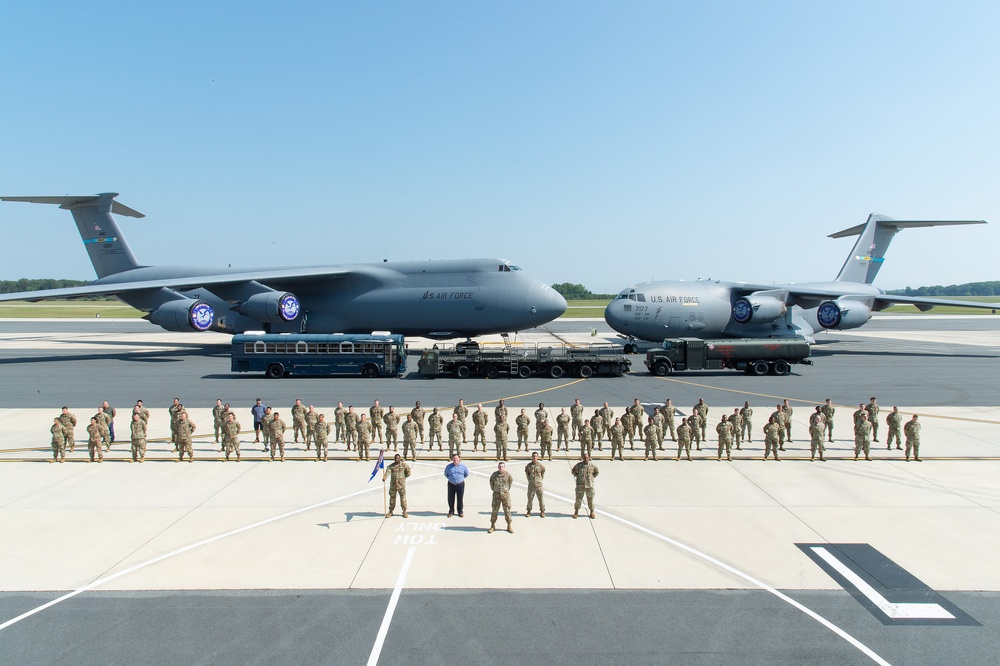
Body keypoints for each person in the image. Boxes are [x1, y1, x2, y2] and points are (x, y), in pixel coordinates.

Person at [488, 461, 515, 533]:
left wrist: (505, 490)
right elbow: (491, 483)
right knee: (494, 511)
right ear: (498, 467)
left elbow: (510, 483)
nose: (501, 468)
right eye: (499, 466)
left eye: (502, 466)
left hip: (505, 496)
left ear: (504, 467)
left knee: (507, 511)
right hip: (496, 495)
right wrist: (495, 490)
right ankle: (492, 525)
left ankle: (509, 526)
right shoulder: (494, 475)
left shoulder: (508, 475)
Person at [571, 453, 599, 519]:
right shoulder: (579, 465)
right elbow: (573, 471)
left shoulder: (592, 465)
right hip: (580, 485)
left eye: (587, 458)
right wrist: (577, 476)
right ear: (582, 458)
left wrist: (592, 478)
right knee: (578, 499)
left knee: (590, 499)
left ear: (589, 458)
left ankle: (592, 512)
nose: (586, 459)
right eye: (585, 458)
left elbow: (597, 472)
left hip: (589, 486)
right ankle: (576, 512)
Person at [384, 454, 411, 518]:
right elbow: (387, 472)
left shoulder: (404, 465)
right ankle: (390, 511)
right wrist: (384, 477)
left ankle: (404, 511)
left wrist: (403, 478)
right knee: (392, 499)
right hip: (393, 485)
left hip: (401, 486)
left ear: (400, 459)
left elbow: (408, 472)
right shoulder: (391, 466)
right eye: (395, 458)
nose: (396, 459)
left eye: (398, 458)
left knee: (403, 499)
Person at [524, 452, 546, 517]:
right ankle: (528, 511)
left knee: (541, 498)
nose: (535, 457)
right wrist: (530, 481)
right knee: (530, 499)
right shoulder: (529, 466)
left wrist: (539, 480)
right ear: (532, 457)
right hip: (531, 485)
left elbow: (542, 473)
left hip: (539, 485)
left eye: (536, 456)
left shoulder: (541, 466)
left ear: (538, 457)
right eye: (533, 456)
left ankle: (542, 511)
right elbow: (527, 474)